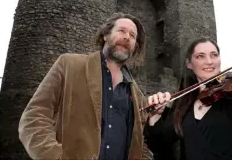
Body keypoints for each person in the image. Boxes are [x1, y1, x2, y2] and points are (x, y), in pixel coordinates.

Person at [18, 13, 154, 160]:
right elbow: (34, 117)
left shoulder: (138, 96)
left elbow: (141, 146)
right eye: (121, 31)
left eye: (132, 35)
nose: (127, 37)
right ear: (105, 35)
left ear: (135, 47)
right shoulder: (68, 65)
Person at [144, 37, 232, 160]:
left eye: (214, 55)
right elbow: (158, 144)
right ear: (189, 64)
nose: (209, 62)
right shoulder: (184, 100)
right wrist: (155, 116)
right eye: (200, 56)